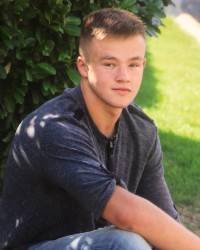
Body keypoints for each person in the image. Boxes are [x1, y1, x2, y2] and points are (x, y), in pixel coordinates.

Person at [0, 7, 200, 250]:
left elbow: (165, 221)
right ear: (83, 67)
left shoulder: (142, 129)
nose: (124, 76)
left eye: (134, 65)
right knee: (126, 242)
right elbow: (125, 213)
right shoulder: (54, 127)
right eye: (110, 64)